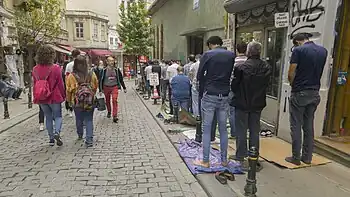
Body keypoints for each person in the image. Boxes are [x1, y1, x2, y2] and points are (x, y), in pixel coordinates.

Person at [285, 33, 327, 165]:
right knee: (309, 126)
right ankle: (307, 157)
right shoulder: (323, 51)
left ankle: (296, 157)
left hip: (300, 92)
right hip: (314, 92)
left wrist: (293, 85)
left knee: (296, 125)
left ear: (297, 42)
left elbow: (291, 72)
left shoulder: (298, 50)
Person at [194, 36, 235, 168]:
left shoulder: (208, 54)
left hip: (210, 93)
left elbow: (200, 75)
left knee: (207, 129)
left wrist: (202, 92)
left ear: (211, 44)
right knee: (223, 129)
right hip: (224, 94)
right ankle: (224, 160)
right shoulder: (231, 55)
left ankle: (205, 161)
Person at [231, 41, 271, 170]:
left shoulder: (241, 68)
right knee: (254, 130)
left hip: (242, 102)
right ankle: (254, 156)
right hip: (257, 103)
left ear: (248, 52)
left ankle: (240, 156)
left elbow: (234, 86)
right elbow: (267, 85)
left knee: (241, 130)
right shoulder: (266, 67)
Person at [32, 45, 65, 147]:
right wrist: (64, 95)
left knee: (48, 117)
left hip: (42, 97)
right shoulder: (56, 68)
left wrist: (35, 96)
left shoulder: (35, 69)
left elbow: (34, 84)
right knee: (58, 116)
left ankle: (51, 139)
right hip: (54, 96)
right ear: (52, 55)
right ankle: (57, 132)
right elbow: (60, 83)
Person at [66, 55, 98, 147]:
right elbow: (95, 85)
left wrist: (68, 100)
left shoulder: (72, 76)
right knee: (89, 119)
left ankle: (80, 134)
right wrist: (91, 94)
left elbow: (68, 90)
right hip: (89, 101)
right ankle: (89, 139)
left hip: (77, 101)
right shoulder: (91, 74)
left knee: (79, 119)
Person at [229, 42, 248, 140]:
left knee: (232, 111)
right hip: (246, 89)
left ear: (236, 50)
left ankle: (234, 133)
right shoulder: (249, 61)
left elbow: (230, 75)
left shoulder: (232, 62)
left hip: (233, 89)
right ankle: (244, 132)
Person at [99, 56, 127, 123]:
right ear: (107, 62)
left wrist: (124, 87)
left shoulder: (116, 70)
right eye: (110, 61)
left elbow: (120, 79)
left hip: (114, 87)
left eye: (112, 61)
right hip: (106, 87)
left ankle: (115, 116)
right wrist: (100, 89)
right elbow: (100, 80)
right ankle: (109, 111)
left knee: (114, 100)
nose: (112, 62)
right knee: (107, 100)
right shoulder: (104, 70)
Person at [65, 50, 81, 117]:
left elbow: (66, 75)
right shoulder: (82, 64)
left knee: (72, 98)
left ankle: (71, 110)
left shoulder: (69, 65)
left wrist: (67, 85)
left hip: (72, 85)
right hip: (80, 84)